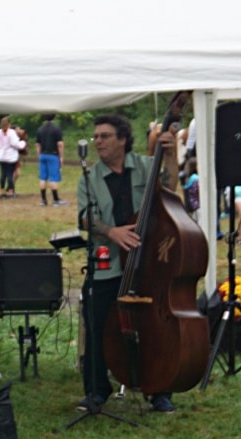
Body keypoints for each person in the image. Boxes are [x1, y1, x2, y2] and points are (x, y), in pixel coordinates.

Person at [77, 114, 179, 414]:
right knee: (96, 321)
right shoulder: (89, 178)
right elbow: (84, 218)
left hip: (147, 262)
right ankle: (96, 390)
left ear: (123, 139)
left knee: (155, 325)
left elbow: (171, 187)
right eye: (96, 136)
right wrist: (111, 232)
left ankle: (160, 389)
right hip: (109, 262)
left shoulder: (147, 166)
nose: (98, 142)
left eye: (105, 136)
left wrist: (170, 154)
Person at [35, 113, 68, 206]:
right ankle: (56, 199)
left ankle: (43, 200)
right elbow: (60, 144)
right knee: (53, 178)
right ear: (54, 117)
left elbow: (37, 144)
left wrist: (39, 154)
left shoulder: (40, 129)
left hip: (43, 155)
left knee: (43, 178)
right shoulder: (56, 129)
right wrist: (61, 157)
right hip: (53, 155)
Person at [0, 116, 25, 198]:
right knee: (10, 175)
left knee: (3, 174)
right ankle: (10, 192)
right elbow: (15, 144)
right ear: (9, 124)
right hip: (10, 157)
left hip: (1, 156)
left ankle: (2, 191)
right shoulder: (11, 133)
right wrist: (23, 143)